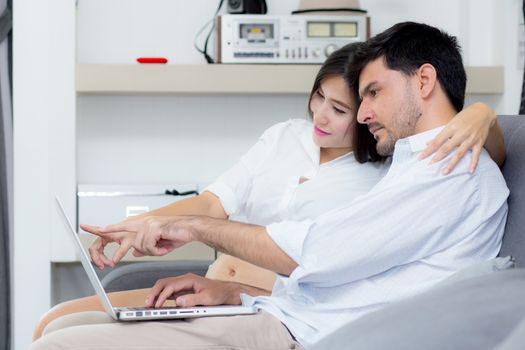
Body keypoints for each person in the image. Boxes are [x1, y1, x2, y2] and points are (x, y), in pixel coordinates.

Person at [32, 23, 508, 349]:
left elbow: (311, 253)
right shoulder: (418, 164)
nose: (362, 114)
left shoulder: (447, 172)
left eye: (372, 93)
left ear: (424, 80)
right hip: (276, 312)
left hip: (295, 334)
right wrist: (236, 296)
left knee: (60, 343)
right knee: (68, 324)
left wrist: (195, 228)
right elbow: (346, 276)